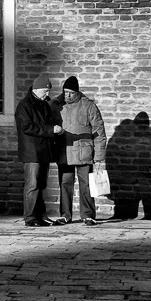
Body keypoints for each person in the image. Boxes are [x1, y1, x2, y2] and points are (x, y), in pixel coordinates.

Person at [54, 75, 107, 225]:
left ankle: (88, 215)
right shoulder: (57, 105)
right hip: (64, 151)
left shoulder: (88, 106)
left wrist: (99, 155)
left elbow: (99, 131)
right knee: (65, 183)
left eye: (71, 93)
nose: (68, 95)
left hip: (84, 152)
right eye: (65, 92)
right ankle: (65, 215)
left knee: (86, 184)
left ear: (77, 92)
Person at [14, 72, 62, 226]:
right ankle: (30, 217)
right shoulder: (24, 106)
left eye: (48, 91)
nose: (47, 94)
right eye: (44, 91)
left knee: (41, 185)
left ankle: (41, 215)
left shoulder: (45, 105)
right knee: (32, 185)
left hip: (44, 151)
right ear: (35, 89)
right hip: (32, 152)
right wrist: (51, 130)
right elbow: (27, 127)